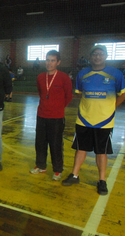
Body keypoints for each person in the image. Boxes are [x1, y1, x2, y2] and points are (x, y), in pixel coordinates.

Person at [62, 45, 125, 195]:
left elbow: (122, 94)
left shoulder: (116, 74)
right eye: (95, 54)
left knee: (101, 152)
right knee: (80, 149)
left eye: (100, 54)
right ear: (90, 57)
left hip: (105, 120)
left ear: (106, 56)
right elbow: (79, 93)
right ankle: (74, 175)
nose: (97, 57)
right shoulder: (82, 73)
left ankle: (101, 181)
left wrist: (111, 107)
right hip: (84, 118)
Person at [29, 50, 73, 181]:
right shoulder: (40, 77)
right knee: (40, 143)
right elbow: (41, 92)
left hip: (57, 118)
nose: (49, 63)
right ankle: (41, 166)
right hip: (41, 115)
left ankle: (58, 170)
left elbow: (68, 96)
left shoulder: (64, 77)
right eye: (47, 60)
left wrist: (57, 107)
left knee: (56, 144)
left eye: (53, 60)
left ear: (58, 62)